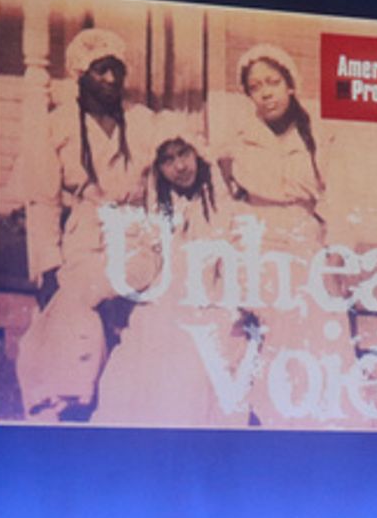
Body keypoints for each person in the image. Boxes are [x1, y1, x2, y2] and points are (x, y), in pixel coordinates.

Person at [16, 27, 157, 420]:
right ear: (80, 74)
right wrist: (48, 264)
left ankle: (83, 393)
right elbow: (43, 200)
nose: (111, 78)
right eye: (100, 69)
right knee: (76, 300)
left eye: (116, 69)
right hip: (85, 235)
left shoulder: (142, 121)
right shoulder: (57, 124)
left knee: (90, 299)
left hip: (135, 235)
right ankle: (70, 397)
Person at [210, 43, 350, 428]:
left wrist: (337, 250)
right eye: (255, 87)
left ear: (290, 84)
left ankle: (305, 420)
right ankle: (263, 414)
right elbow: (224, 200)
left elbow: (337, 198)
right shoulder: (236, 140)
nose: (266, 93)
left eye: (272, 82)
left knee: (315, 314)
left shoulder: (319, 136)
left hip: (304, 237)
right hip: (254, 238)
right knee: (270, 310)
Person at [92, 118, 261, 427]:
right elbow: (145, 261)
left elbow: (236, 261)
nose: (179, 166)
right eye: (168, 160)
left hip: (211, 304)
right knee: (145, 359)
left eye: (184, 153)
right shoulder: (156, 211)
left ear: (197, 153)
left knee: (193, 362)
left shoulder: (225, 208)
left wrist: (238, 301)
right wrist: (119, 281)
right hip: (163, 304)